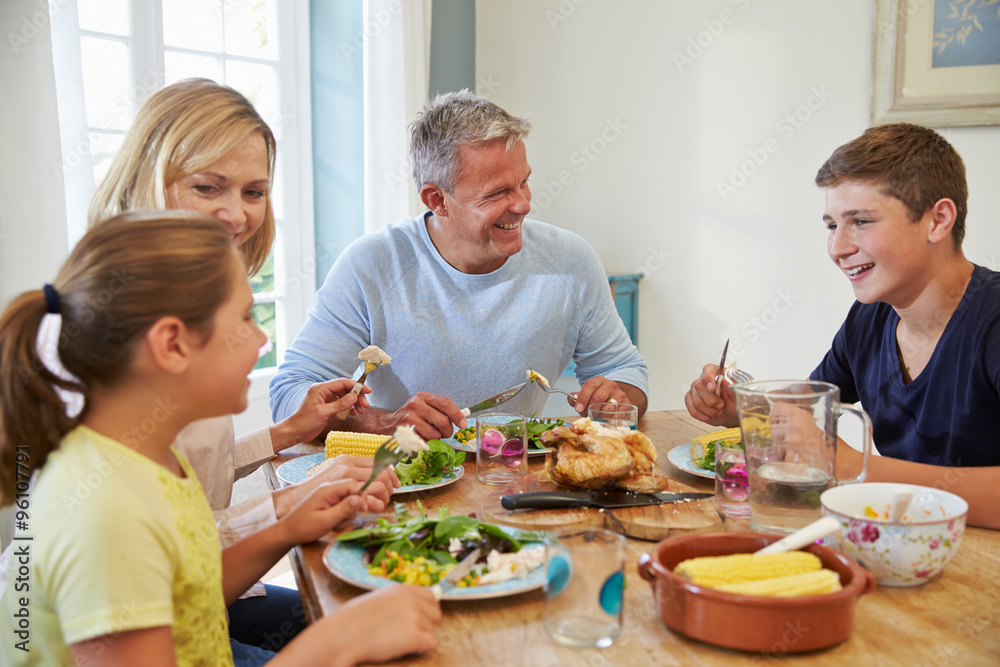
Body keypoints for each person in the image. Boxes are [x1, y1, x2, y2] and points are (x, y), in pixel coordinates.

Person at [0, 212, 441, 666]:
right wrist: (338, 643)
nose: (262, 339)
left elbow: (190, 592)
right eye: (245, 318)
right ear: (172, 345)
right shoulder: (108, 510)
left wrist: (288, 528)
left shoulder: (154, 456)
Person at [79, 78, 398, 650]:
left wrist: (282, 437)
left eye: (254, 192)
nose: (236, 213)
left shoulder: (176, 312)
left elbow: (187, 490)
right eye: (208, 186)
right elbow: (152, 562)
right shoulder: (117, 349)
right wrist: (286, 508)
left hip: (186, 602)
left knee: (356, 606)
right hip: (130, 631)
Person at [269, 90, 648, 439]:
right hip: (406, 485)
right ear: (437, 200)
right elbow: (290, 392)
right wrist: (384, 423)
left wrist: (618, 396)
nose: (523, 205)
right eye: (498, 193)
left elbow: (627, 372)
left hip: (518, 481)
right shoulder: (372, 264)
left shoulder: (571, 260)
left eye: (524, 182)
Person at [685, 123, 1000, 529]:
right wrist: (746, 410)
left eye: (862, 221)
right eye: (832, 225)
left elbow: (839, 459)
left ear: (937, 220)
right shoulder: (868, 319)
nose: (838, 248)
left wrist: (856, 466)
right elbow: (814, 415)